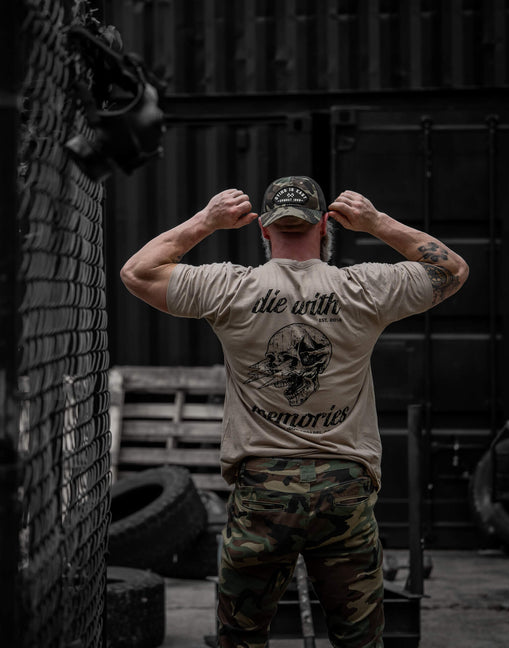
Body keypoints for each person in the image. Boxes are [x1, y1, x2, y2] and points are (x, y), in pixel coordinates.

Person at [120, 176, 468, 648]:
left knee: (241, 638)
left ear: (263, 229)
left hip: (263, 490)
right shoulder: (364, 287)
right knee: (360, 641)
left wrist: (206, 221)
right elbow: (452, 270)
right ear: (324, 226)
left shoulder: (230, 287)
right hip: (344, 487)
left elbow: (137, 273)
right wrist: (376, 222)